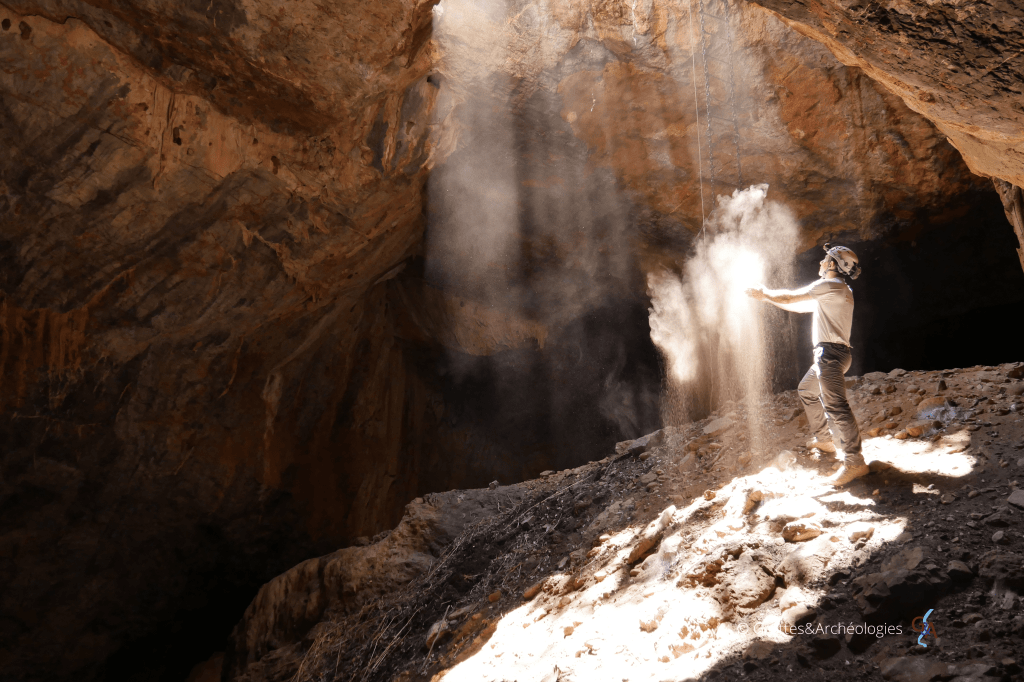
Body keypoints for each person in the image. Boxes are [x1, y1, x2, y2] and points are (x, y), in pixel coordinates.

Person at [745, 243, 868, 486]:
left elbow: (791, 297)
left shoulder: (829, 285)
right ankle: (824, 439)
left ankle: (855, 463)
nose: (821, 263)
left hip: (830, 356)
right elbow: (798, 305)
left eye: (825, 259)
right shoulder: (839, 290)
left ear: (833, 264)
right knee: (807, 390)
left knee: (837, 406)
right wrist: (767, 299)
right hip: (834, 354)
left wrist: (764, 292)